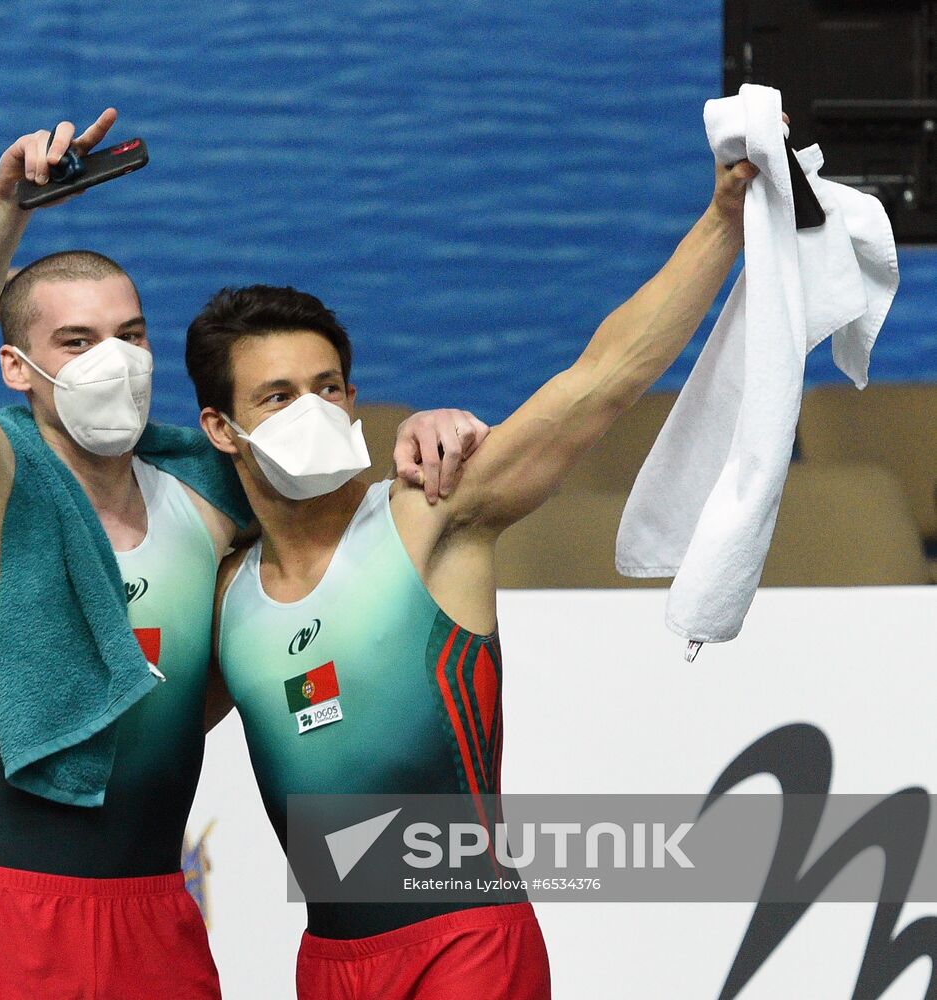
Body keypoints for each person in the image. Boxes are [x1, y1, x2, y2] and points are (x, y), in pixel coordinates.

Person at [0, 109, 486, 999]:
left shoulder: (209, 507)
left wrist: (422, 427)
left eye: (130, 337)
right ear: (17, 367)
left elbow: (316, 476)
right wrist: (5, 210)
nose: (115, 361)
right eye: (77, 341)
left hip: (157, 923)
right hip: (5, 917)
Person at [188, 148, 761, 999]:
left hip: (465, 940)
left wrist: (724, 220)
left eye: (329, 386)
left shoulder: (434, 513)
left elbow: (601, 381)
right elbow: (137, 743)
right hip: (330, 963)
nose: (312, 410)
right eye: (276, 397)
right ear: (221, 428)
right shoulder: (226, 595)